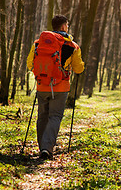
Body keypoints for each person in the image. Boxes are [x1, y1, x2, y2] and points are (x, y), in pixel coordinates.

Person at [27, 15, 84, 160]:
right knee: (55, 116)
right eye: (67, 25)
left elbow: (30, 64)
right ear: (64, 27)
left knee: (42, 117)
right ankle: (47, 148)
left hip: (42, 86)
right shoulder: (72, 46)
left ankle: (42, 147)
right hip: (60, 87)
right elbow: (78, 69)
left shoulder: (39, 43)